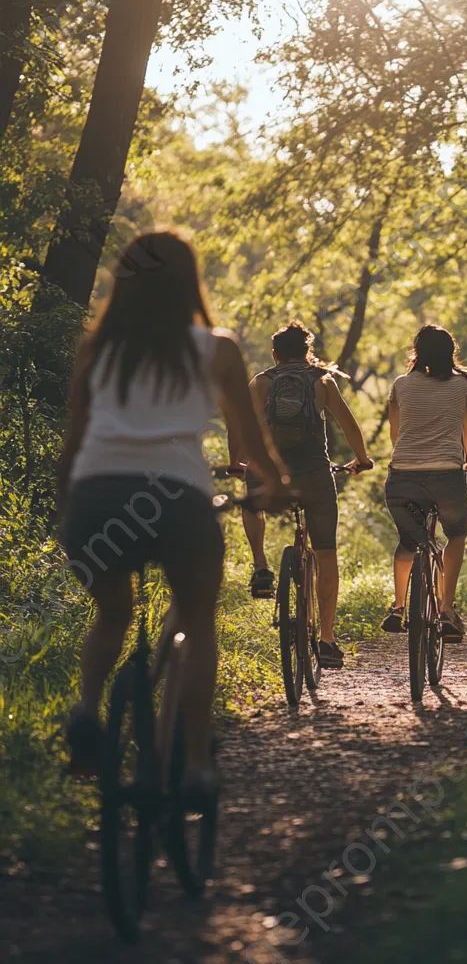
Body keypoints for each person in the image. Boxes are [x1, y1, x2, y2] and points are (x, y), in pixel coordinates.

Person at [57, 232, 291, 791]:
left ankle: (88, 712)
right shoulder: (216, 347)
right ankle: (193, 765)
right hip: (175, 501)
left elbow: (75, 440)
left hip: (97, 498)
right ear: (189, 281)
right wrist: (277, 486)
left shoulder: (99, 346)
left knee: (112, 613)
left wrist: (68, 509)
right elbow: (251, 443)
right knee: (197, 618)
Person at [236, 321, 373, 668]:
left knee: (252, 500)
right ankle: (326, 640)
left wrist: (239, 464)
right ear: (308, 351)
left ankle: (262, 567)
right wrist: (361, 459)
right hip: (313, 473)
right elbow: (347, 422)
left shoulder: (261, 381)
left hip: (268, 472)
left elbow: (239, 424)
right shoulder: (322, 381)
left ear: (274, 353)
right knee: (325, 553)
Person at [381, 325, 467, 642]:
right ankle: (446, 609)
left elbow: (396, 435)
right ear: (451, 352)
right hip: (447, 475)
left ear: (417, 351)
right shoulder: (464, 386)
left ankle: (398, 607)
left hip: (403, 475)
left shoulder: (400, 385)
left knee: (408, 541)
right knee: (455, 534)